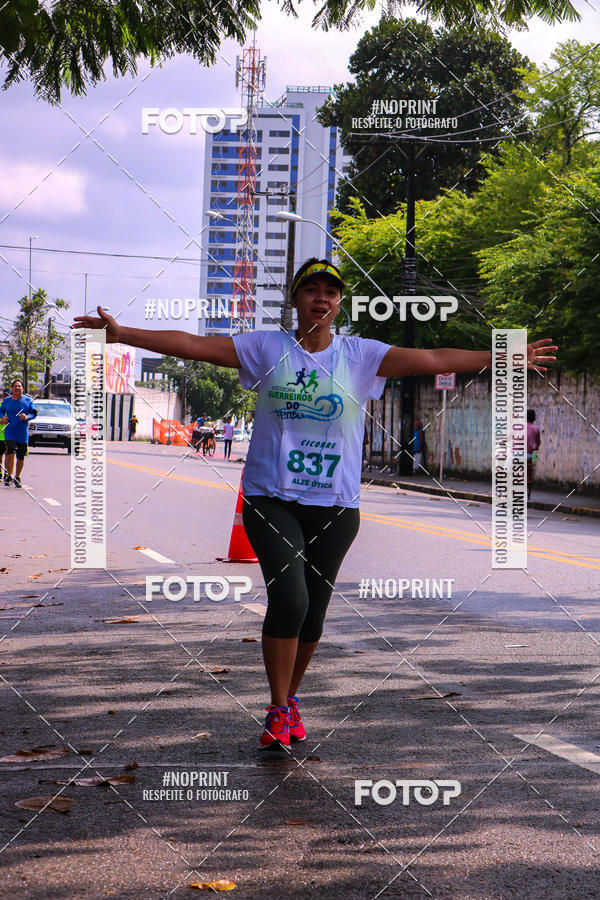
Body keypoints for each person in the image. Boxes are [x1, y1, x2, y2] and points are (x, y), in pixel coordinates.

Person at [72, 257, 557, 751]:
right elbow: (194, 345)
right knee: (291, 601)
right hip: (271, 499)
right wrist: (123, 334)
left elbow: (433, 357)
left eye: (330, 292)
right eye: (311, 290)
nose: (321, 298)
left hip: (336, 507)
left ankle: (290, 700)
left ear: (339, 303)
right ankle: (277, 707)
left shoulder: (361, 356)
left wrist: (501, 355)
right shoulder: (266, 348)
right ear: (296, 299)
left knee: (314, 615)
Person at [0, 379, 37, 488]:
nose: (17, 388)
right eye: (15, 386)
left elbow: (34, 413)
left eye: (19, 386)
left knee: (21, 457)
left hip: (22, 433)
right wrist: (2, 417)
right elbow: (1, 410)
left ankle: (17, 477)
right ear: (12, 388)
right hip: (10, 431)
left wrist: (26, 417)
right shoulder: (7, 401)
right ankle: (9, 475)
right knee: (10, 451)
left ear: (22, 388)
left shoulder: (28, 400)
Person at [527, 408, 541, 501]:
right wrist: (535, 458)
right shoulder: (536, 429)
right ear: (534, 418)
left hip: (516, 454)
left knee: (507, 470)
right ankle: (528, 494)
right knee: (530, 472)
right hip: (531, 455)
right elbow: (538, 444)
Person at [0, 388, 10, 476]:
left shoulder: (12, 408)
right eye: (5, 395)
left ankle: (7, 472)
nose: (6, 397)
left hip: (9, 436)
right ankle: (0, 472)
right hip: (0, 436)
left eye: (8, 396)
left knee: (8, 455)